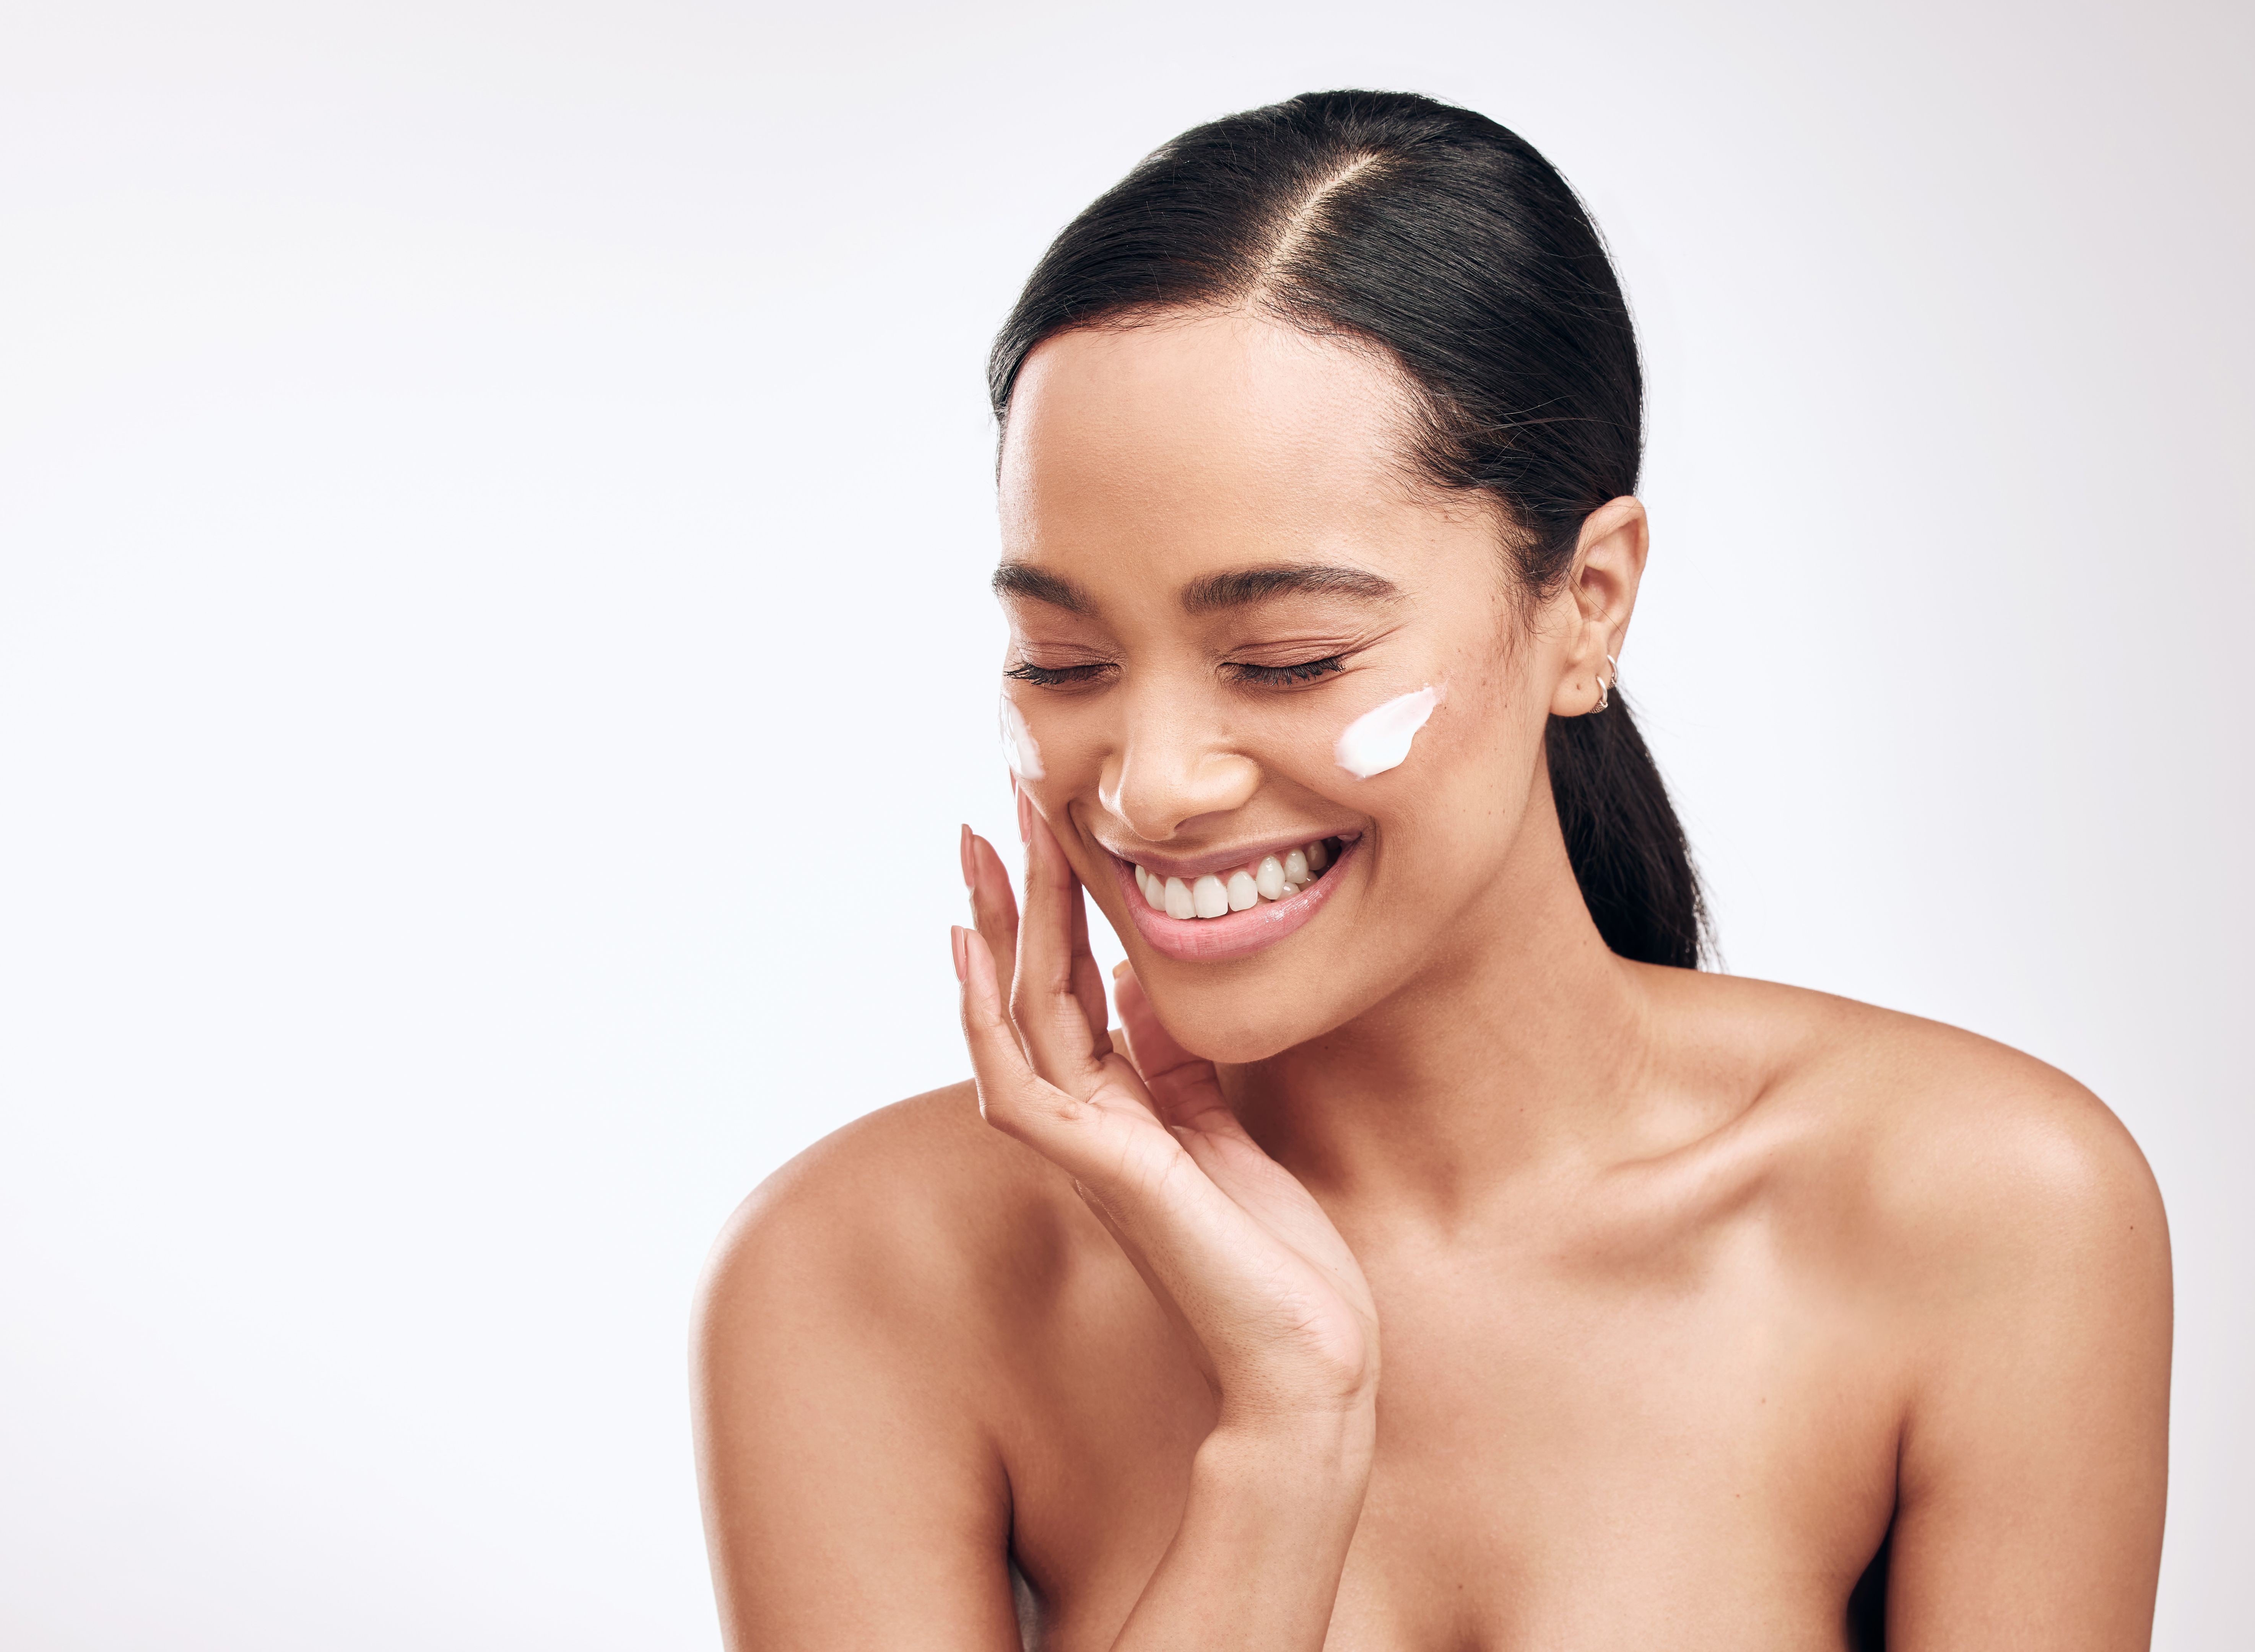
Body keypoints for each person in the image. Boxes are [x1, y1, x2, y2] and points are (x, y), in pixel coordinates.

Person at [692, 91, 2170, 1650]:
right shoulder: (863, 1273)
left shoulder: (1986, 1213)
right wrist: (1286, 1430)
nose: (1147, 786)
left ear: (1585, 605)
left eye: (1288, 657)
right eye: (1062, 660)